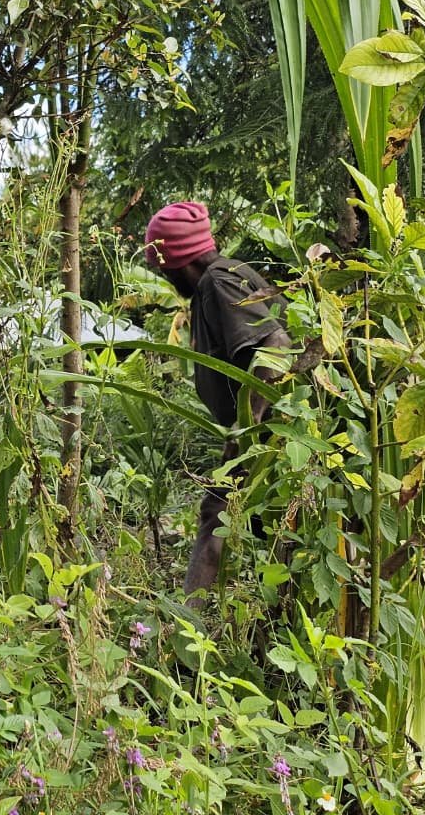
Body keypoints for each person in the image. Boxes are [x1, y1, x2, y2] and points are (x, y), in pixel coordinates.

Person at [144, 201, 290, 605]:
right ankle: (274, 616)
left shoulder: (218, 282)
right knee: (266, 522)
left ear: (179, 261)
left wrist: (246, 428)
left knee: (217, 513)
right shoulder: (227, 275)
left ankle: (188, 625)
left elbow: (277, 345)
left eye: (162, 267)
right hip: (271, 428)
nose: (163, 276)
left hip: (272, 429)